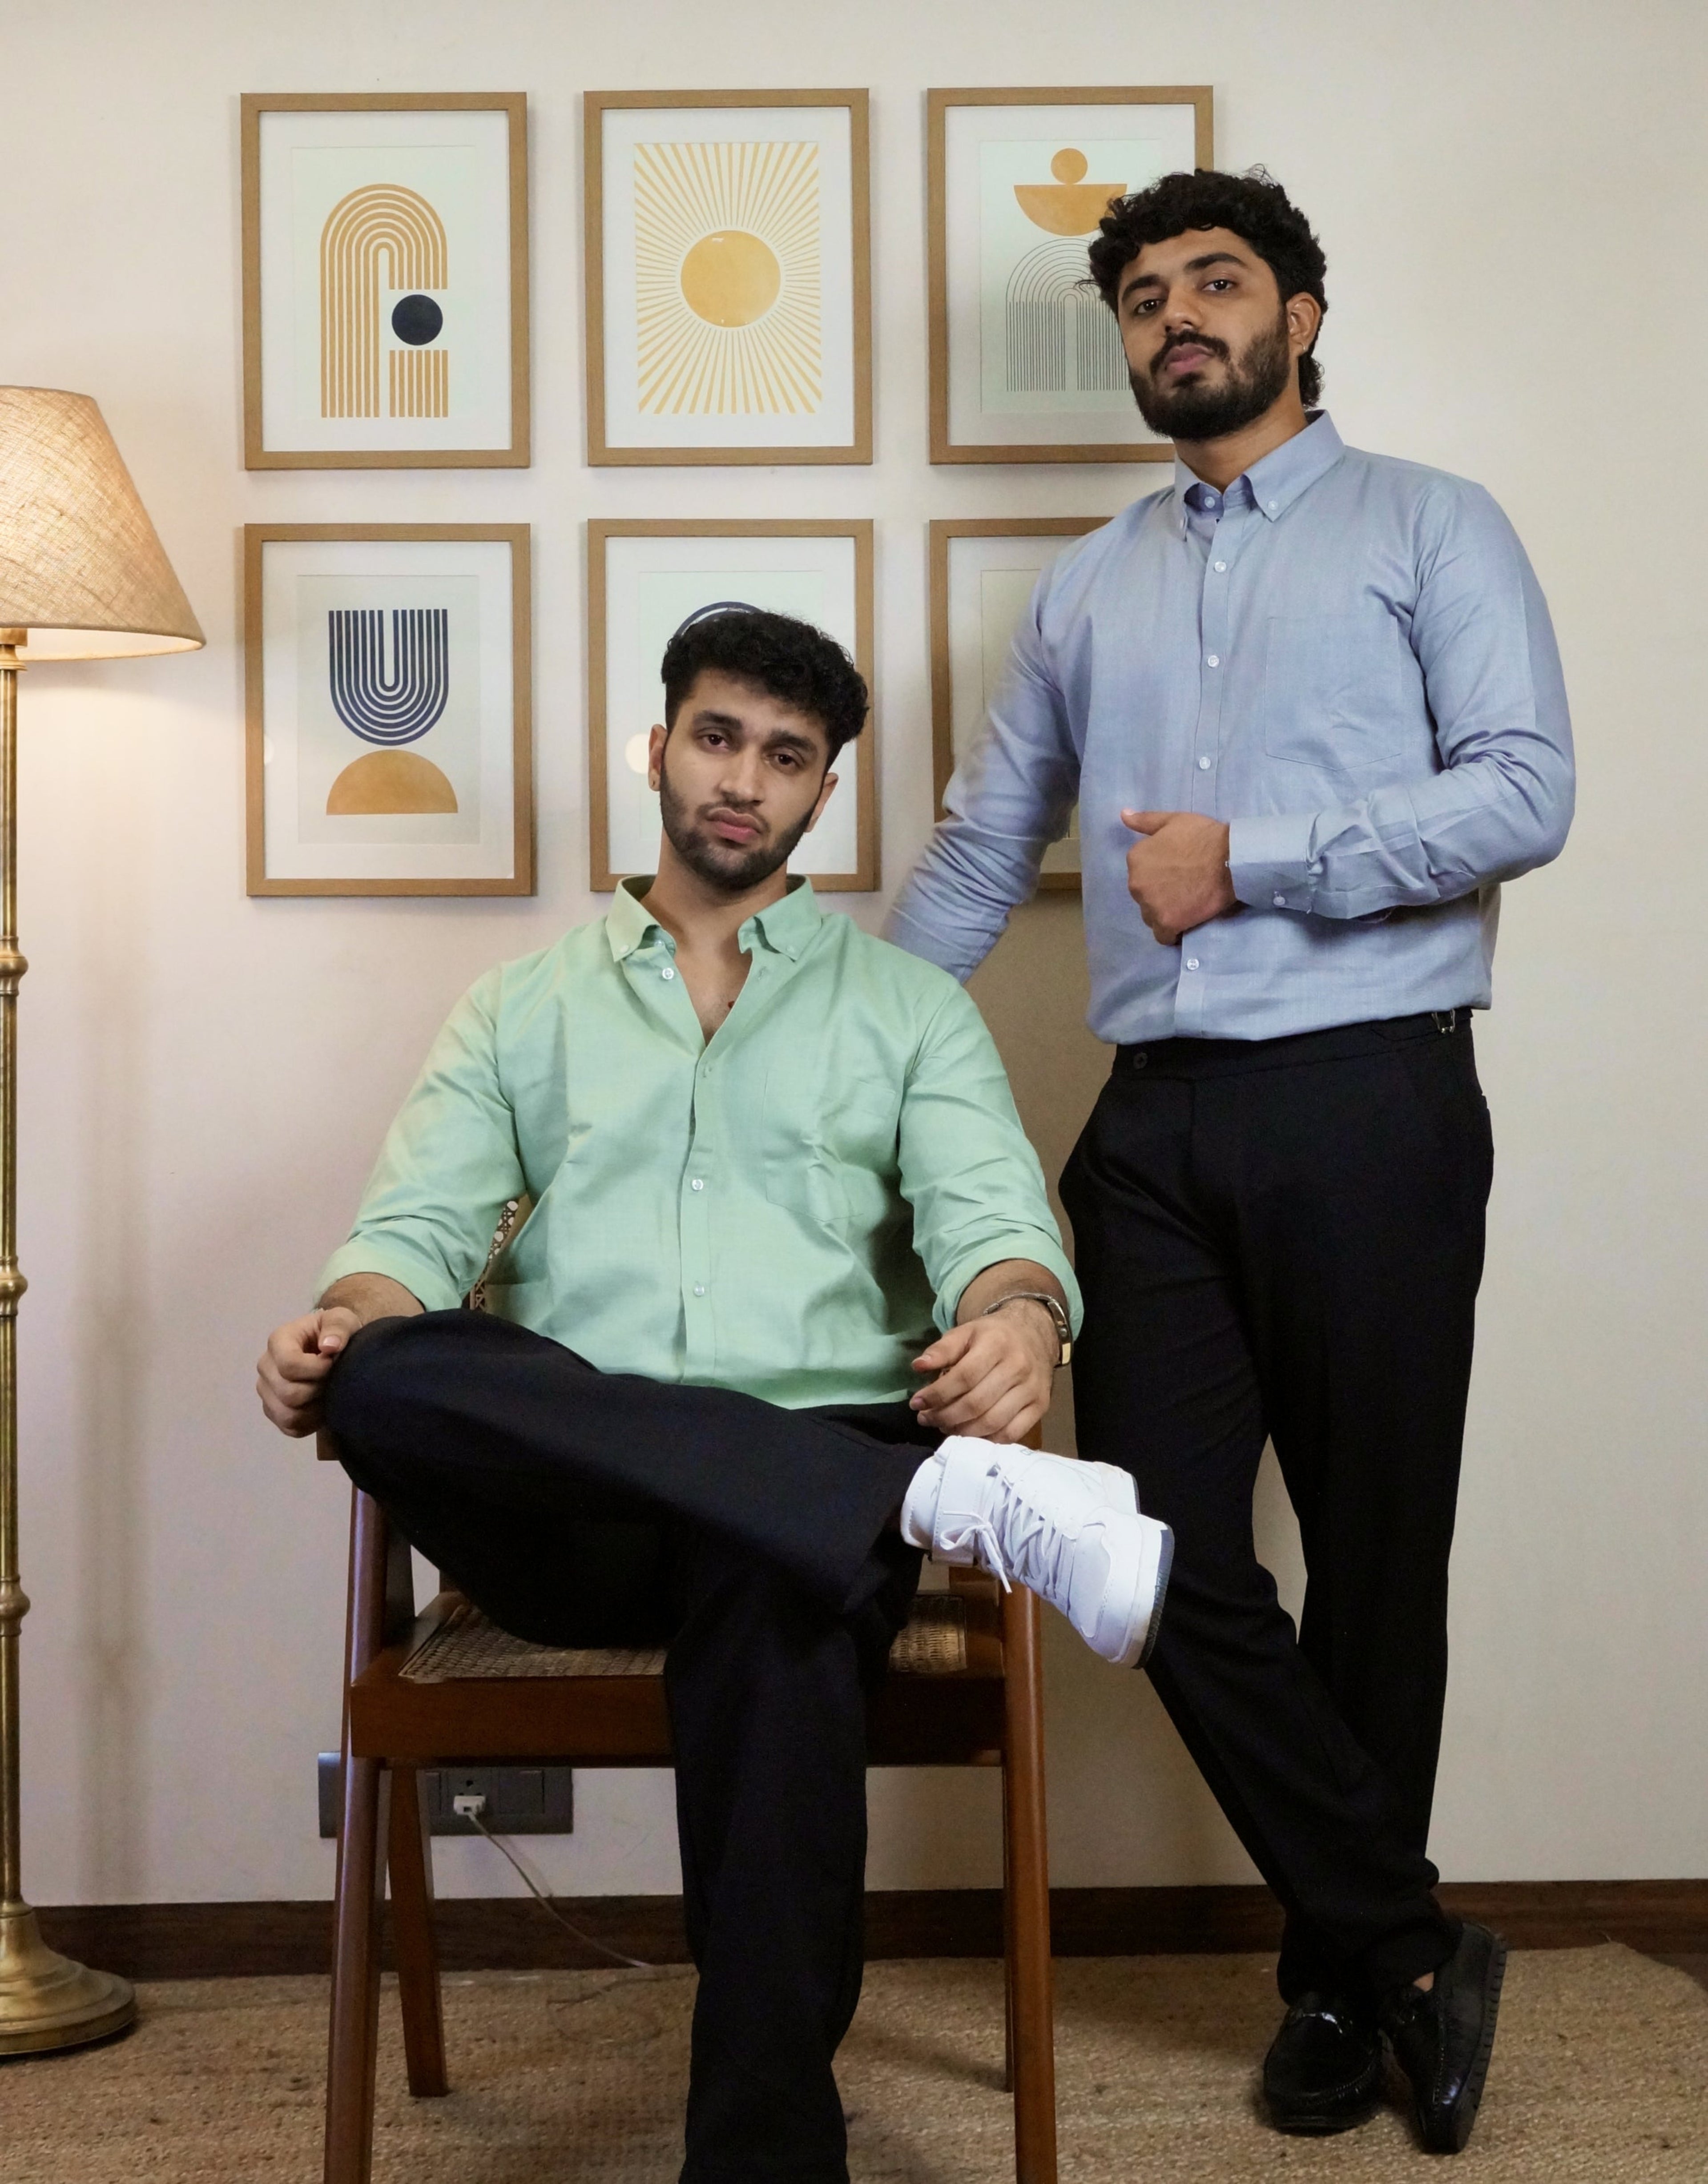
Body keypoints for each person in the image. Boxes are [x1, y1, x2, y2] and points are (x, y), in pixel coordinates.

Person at [256, 604, 1172, 2184]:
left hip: (799, 1510)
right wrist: (339, 1323)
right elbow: (408, 1237)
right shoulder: (518, 1009)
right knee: (388, 1382)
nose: (744, 778)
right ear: (662, 746)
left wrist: (1022, 1321)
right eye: (719, 736)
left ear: (825, 795)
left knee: (774, 1590)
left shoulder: (908, 1013)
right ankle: (914, 1501)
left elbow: (999, 1231)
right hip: (576, 1518)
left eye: (787, 756)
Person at [885, 168, 1573, 2153]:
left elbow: (1528, 787)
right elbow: (971, 851)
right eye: (1146, 298)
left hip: (1372, 1092)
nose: (1178, 318)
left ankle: (1328, 1991)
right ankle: (1411, 1943)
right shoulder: (1086, 587)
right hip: (1159, 1127)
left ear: (1302, 313)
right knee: (1147, 1547)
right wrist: (814, 1051)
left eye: (1217, 282)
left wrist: (1253, 863)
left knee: (1374, 1559)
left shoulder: (1434, 523)